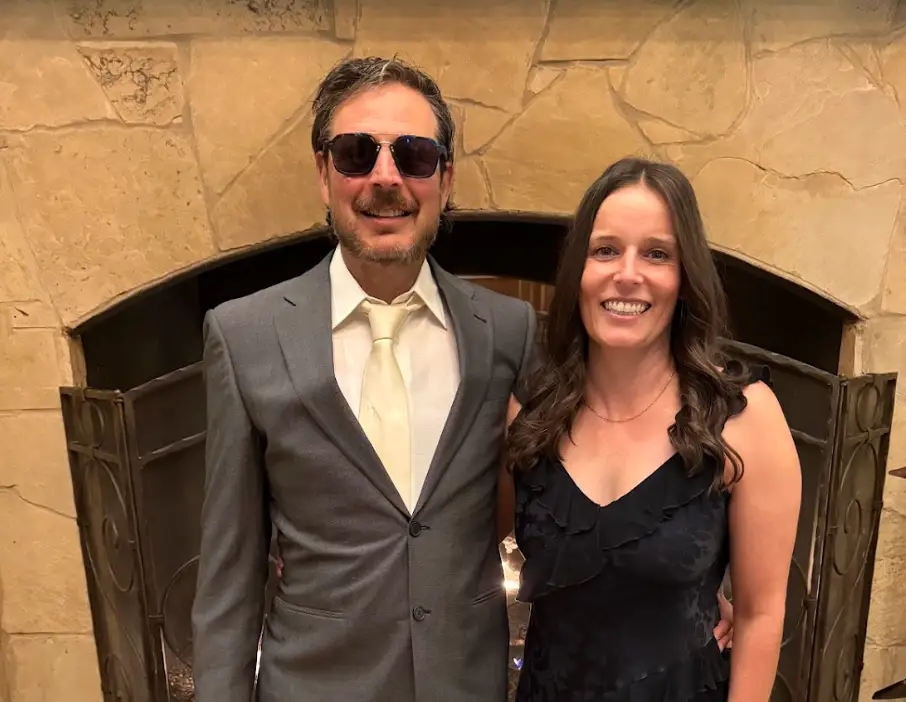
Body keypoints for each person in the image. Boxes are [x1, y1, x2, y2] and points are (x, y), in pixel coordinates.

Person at [190, 56, 735, 702]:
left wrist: (689, 578)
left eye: (415, 156)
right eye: (357, 153)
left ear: (445, 180)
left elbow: (599, 464)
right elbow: (227, 583)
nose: (385, 178)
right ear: (324, 173)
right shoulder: (243, 336)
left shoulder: (509, 332)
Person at [499, 157, 802, 701]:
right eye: (606, 250)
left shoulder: (745, 421)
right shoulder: (530, 415)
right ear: (579, 271)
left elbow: (760, 615)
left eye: (657, 254)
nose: (628, 274)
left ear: (685, 279)